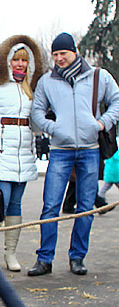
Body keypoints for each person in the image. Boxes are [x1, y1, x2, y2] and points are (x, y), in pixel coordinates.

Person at [28, 33, 119, 276]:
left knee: (86, 207)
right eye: (55, 54)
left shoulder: (98, 76)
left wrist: (102, 123)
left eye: (63, 54)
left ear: (74, 51)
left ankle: (78, 257)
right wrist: (52, 128)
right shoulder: (47, 81)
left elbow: (117, 101)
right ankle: (44, 259)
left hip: (90, 149)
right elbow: (36, 112)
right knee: (50, 206)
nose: (59, 58)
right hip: (60, 150)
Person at [0, 35, 45, 272]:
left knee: (15, 205)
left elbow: (37, 118)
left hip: (23, 153)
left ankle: (11, 254)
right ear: (7, 60)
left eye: (24, 60)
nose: (20, 64)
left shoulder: (31, 88)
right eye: (16, 59)